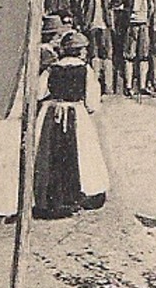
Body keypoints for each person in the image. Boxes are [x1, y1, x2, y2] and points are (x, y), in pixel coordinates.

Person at [31, 31, 108, 219]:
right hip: (76, 113)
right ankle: (79, 195)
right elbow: (92, 103)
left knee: (49, 153)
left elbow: (39, 93)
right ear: (80, 51)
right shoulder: (85, 70)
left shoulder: (51, 69)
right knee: (82, 153)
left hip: (52, 112)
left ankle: (50, 198)